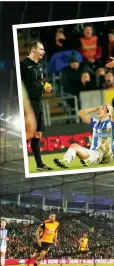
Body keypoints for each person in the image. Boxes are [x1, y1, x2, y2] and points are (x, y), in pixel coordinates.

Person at [53, 104, 114, 168]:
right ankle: (65, 161)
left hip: (108, 157)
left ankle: (89, 160)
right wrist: (96, 108)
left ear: (107, 113)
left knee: (104, 143)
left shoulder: (112, 123)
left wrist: (112, 111)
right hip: (93, 156)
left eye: (102, 109)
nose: (99, 110)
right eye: (99, 109)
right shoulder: (95, 123)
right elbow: (81, 113)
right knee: (74, 146)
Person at [20, 40, 53, 171]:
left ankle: (39, 165)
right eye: (41, 49)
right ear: (33, 50)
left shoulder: (39, 66)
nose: (43, 51)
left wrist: (45, 86)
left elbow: (38, 81)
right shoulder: (22, 65)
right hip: (29, 103)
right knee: (28, 134)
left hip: (39, 102)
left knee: (38, 134)